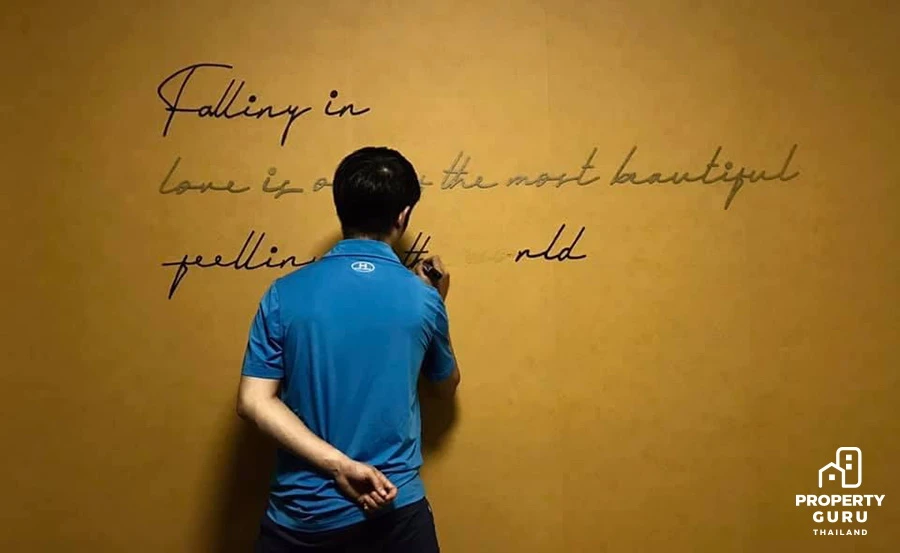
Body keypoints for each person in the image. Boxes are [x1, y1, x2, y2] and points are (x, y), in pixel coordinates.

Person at [236, 146, 460, 553]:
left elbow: (254, 401)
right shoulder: (424, 300)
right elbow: (445, 387)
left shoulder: (283, 294)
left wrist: (337, 465)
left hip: (300, 520)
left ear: (340, 207)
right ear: (403, 215)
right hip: (395, 513)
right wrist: (435, 303)